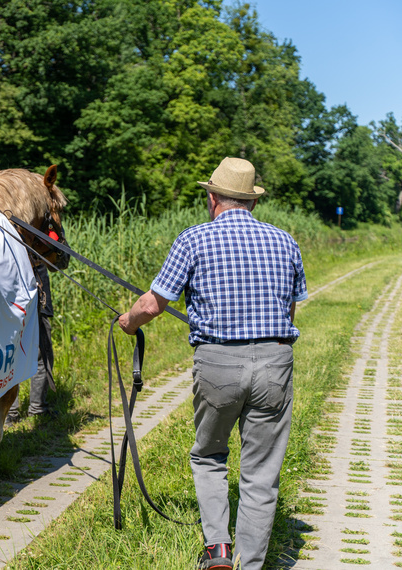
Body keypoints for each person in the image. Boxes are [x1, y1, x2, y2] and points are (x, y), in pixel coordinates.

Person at [117, 157, 308, 570]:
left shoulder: (193, 239)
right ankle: (250, 563)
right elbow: (289, 311)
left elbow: (153, 303)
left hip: (218, 362)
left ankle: (218, 551)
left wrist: (129, 323)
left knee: (208, 455)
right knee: (261, 472)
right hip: (276, 361)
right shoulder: (285, 241)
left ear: (212, 198)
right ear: (252, 202)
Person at [6, 262, 56, 424]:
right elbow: (60, 261)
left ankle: (11, 411)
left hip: (11, 300)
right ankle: (36, 408)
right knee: (41, 355)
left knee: (10, 357)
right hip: (33, 296)